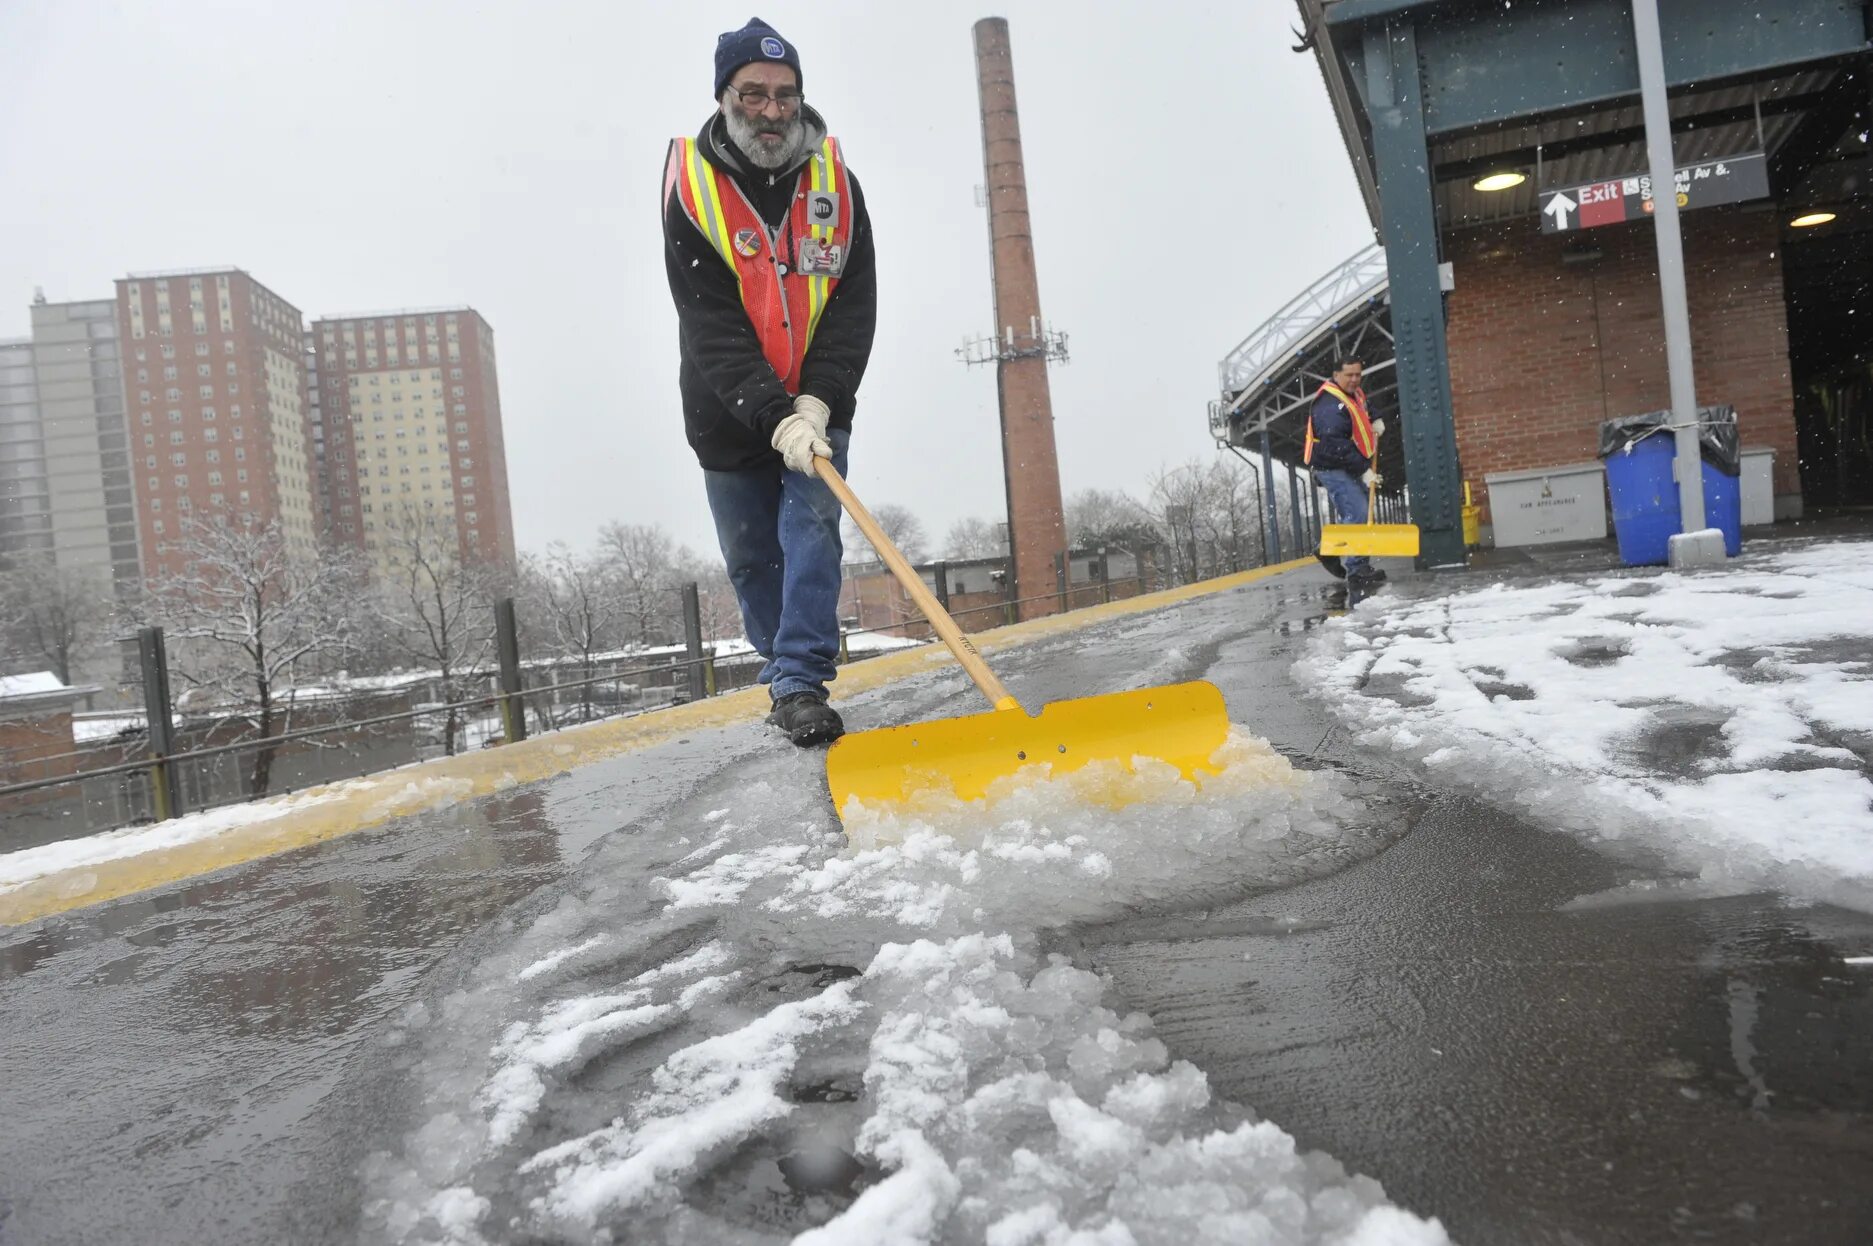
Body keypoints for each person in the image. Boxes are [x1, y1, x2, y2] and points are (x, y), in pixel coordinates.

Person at [662, 17, 877, 746]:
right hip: (728, 413)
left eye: (785, 95)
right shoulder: (691, 191)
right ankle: (782, 670)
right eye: (753, 93)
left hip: (820, 400)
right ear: (725, 96)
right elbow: (711, 326)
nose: (771, 110)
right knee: (753, 556)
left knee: (813, 523)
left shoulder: (835, 188)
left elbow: (852, 306)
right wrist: (773, 416)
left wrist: (815, 405)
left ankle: (799, 679)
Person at [1305, 358, 1388, 587]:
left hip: (1346, 464)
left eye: (1357, 375)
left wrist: (1376, 416)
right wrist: (1363, 470)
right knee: (1359, 512)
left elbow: (1364, 406)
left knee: (1356, 513)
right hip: (1332, 467)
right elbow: (1335, 444)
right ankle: (1357, 569)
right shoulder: (1329, 405)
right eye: (1349, 375)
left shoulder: (1354, 393)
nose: (1354, 380)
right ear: (1336, 375)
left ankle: (1331, 551)